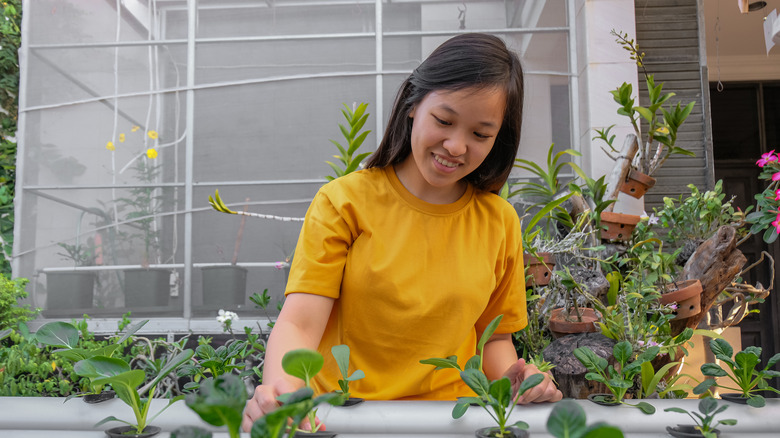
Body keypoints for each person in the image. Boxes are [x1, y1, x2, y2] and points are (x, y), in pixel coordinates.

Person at [242, 32, 563, 432]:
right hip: (342, 418)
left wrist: (517, 382)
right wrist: (285, 396)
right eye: (444, 121)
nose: (457, 146)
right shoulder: (345, 202)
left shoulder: (499, 221)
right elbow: (300, 325)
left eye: (480, 134)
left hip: (449, 423)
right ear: (414, 103)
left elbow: (494, 340)